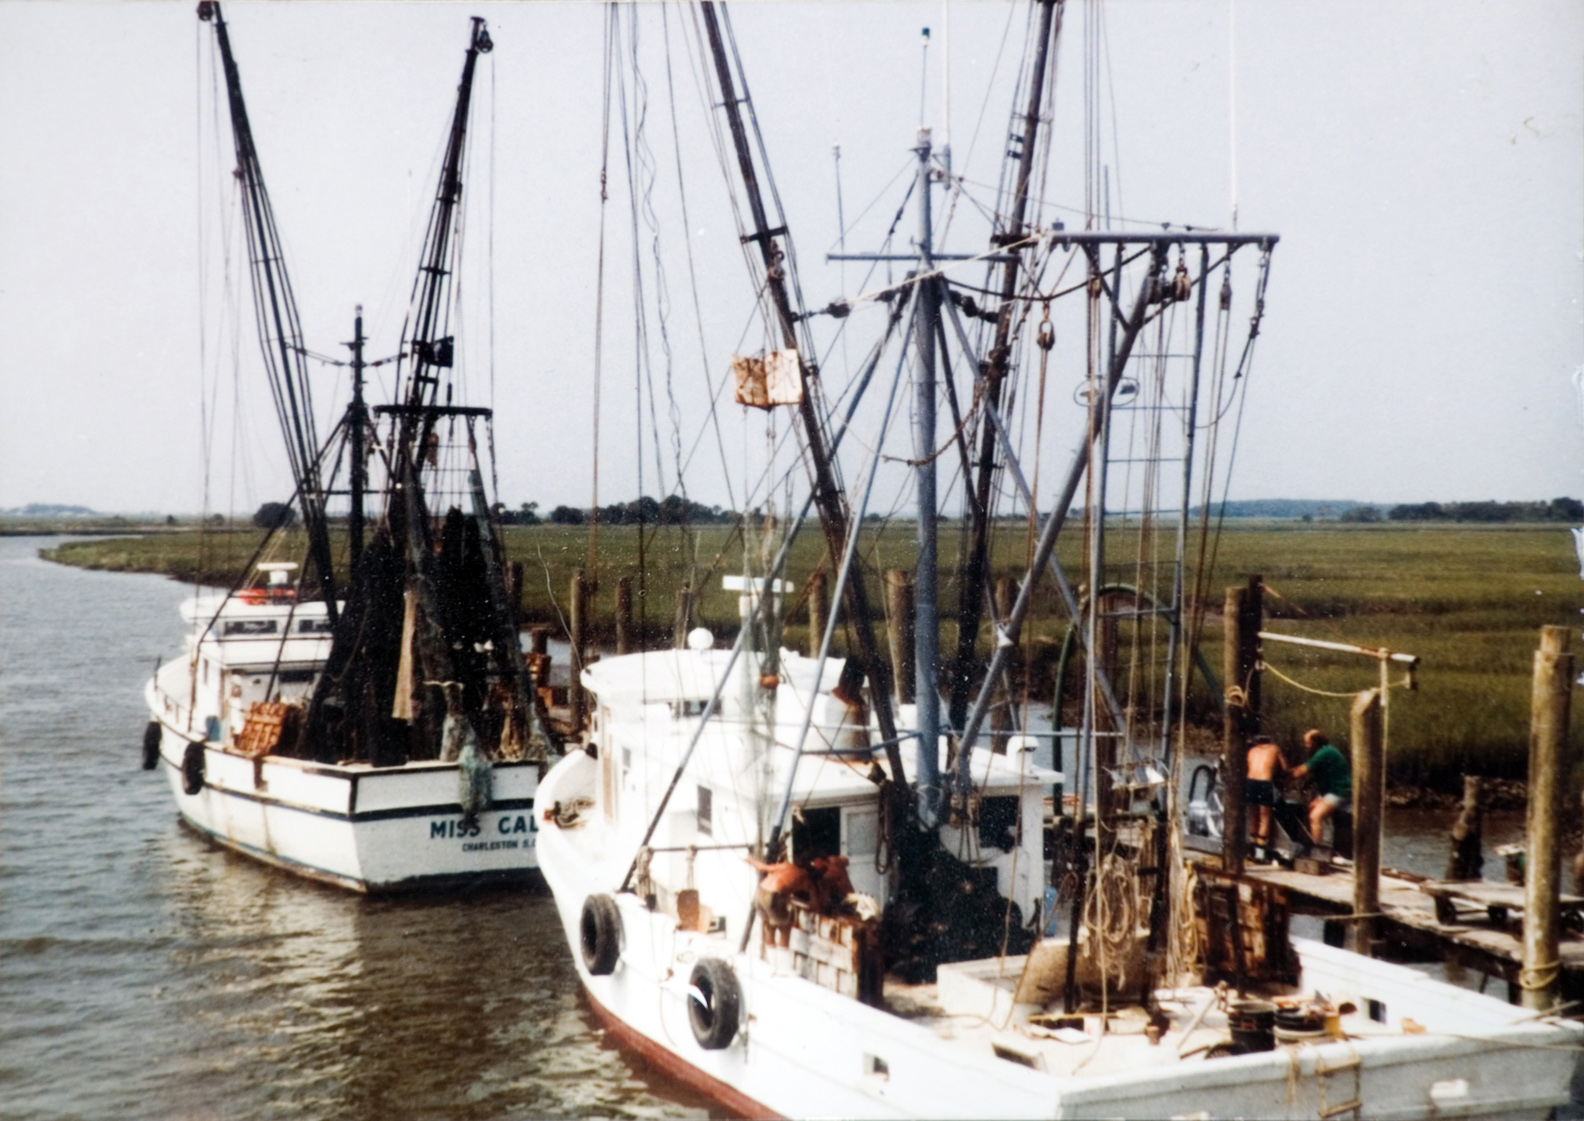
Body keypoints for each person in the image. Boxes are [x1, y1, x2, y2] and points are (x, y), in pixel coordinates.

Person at [1292, 728, 1351, 847]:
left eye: (1307, 743)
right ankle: (1314, 841)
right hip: (1331, 791)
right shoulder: (1326, 750)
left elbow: (1301, 771)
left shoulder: (1324, 753)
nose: (1306, 746)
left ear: (1315, 742)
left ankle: (1316, 849)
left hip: (1339, 791)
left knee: (1315, 816)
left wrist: (1284, 772)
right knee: (1311, 808)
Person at [746, 856, 813, 948]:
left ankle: (771, 954)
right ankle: (783, 956)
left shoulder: (785, 866)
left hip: (759, 893)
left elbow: (762, 867)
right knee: (785, 928)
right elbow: (812, 896)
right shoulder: (804, 875)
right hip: (773, 895)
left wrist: (751, 860)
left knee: (769, 927)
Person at [1245, 734, 1288, 861]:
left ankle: (1251, 851)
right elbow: (1285, 768)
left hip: (1250, 782)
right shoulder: (1275, 748)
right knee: (1264, 818)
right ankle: (1260, 855)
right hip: (1265, 783)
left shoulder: (1252, 750)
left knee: (1253, 817)